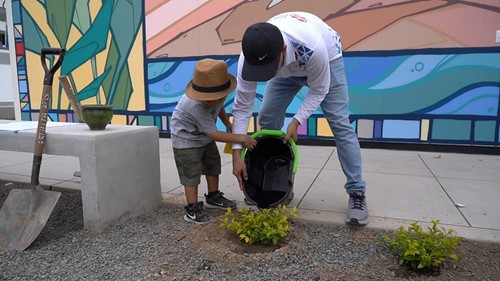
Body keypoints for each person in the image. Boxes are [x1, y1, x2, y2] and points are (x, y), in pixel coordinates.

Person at [230, 11, 369, 225]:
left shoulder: (313, 47)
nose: (262, 77)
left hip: (325, 60)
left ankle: (357, 192)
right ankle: (278, 188)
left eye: (267, 70)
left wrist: (297, 121)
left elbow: (319, 89)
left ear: (283, 50)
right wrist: (236, 153)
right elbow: (242, 107)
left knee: (340, 124)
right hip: (286, 71)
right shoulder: (250, 57)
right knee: (267, 120)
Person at [171, 58, 257, 224]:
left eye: (218, 97)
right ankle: (192, 209)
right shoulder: (194, 104)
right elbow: (214, 134)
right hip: (185, 140)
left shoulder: (218, 96)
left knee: (213, 165)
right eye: (209, 99)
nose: (214, 101)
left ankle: (213, 196)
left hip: (203, 136)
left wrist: (228, 123)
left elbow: (219, 108)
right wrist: (241, 138)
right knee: (191, 173)